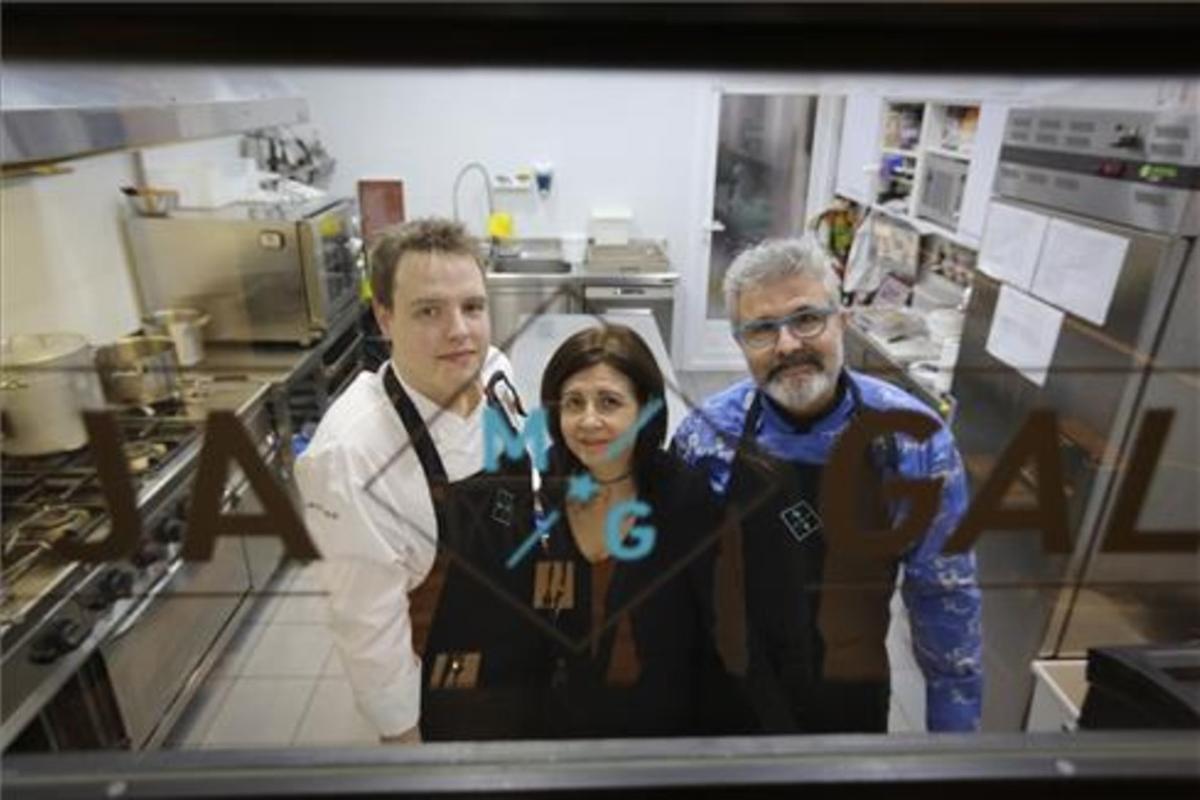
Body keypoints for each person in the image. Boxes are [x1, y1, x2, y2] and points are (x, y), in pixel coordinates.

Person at [672, 235, 983, 733]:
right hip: (727, 701)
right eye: (761, 330)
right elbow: (673, 586)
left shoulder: (913, 441)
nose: (788, 345)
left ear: (842, 320)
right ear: (740, 343)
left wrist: (955, 736)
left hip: (848, 701)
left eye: (806, 319)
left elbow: (944, 595)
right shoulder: (706, 438)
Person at [295, 218, 542, 743]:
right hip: (453, 683)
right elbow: (368, 627)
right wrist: (404, 743)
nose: (460, 331)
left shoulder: (495, 370)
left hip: (528, 642)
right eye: (429, 310)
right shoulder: (353, 454)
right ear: (384, 317)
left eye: (472, 307)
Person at [529, 324, 733, 738]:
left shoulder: (683, 497)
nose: (588, 421)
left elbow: (719, 636)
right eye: (573, 403)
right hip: (562, 729)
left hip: (661, 733)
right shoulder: (544, 486)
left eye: (609, 402)